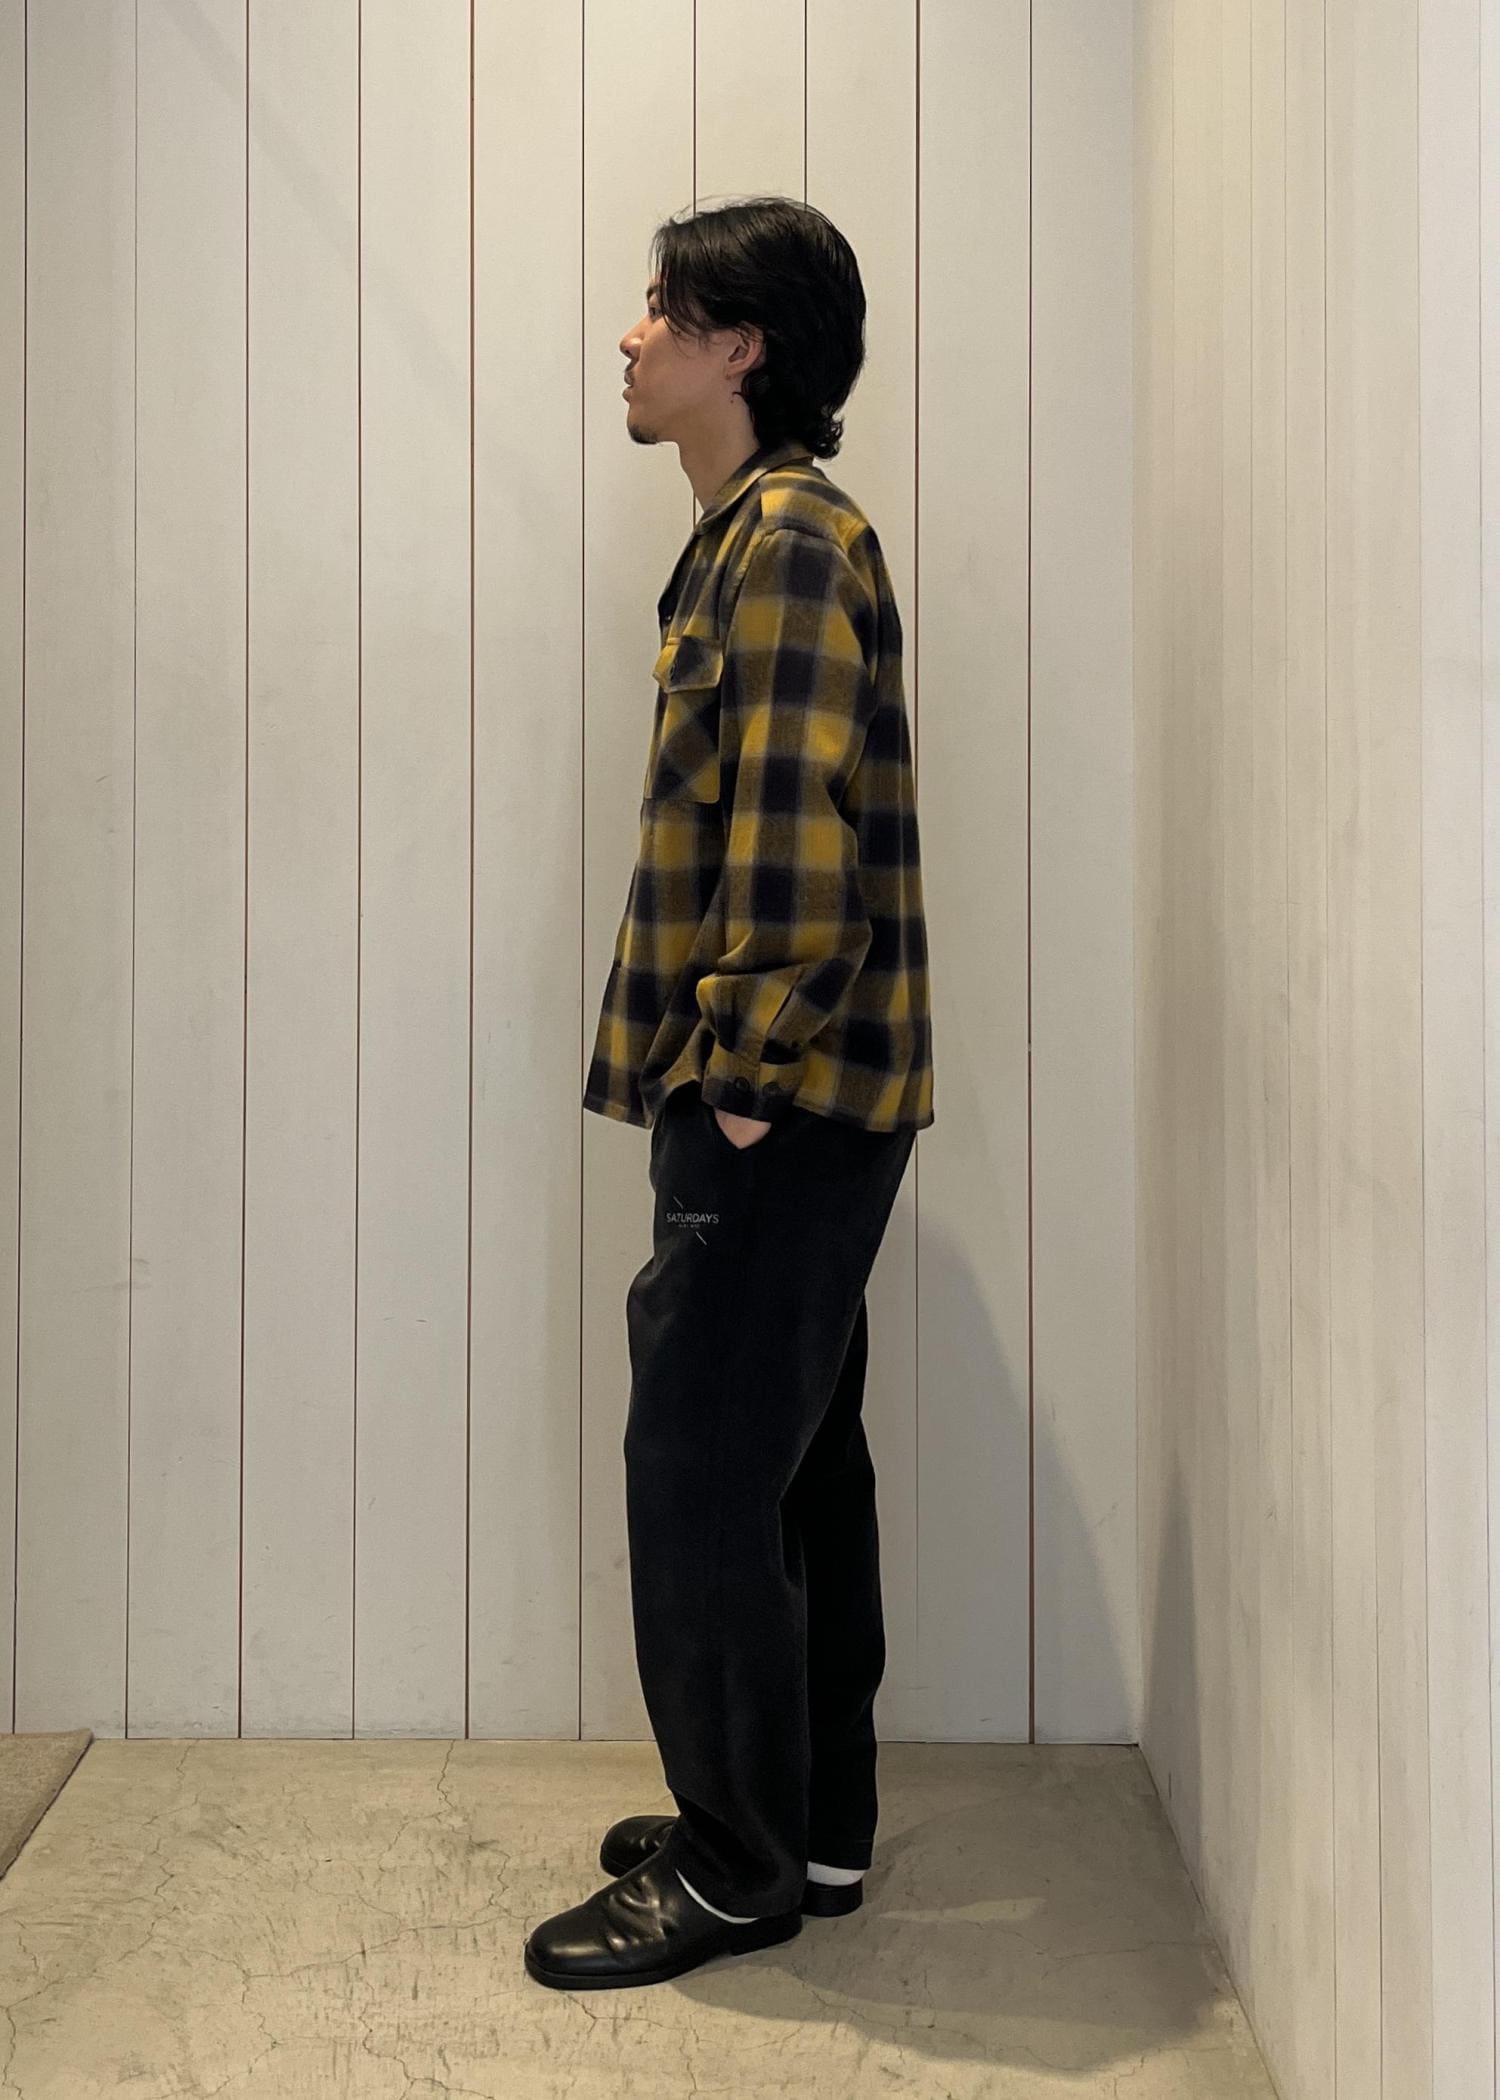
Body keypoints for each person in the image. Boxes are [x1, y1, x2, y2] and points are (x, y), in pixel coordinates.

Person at [525, 195, 935, 1993]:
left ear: (740, 345)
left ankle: (731, 1867)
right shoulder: (752, 536)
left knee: (699, 1476)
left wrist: (747, 1083)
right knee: (794, 1467)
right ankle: (809, 1829)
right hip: (807, 1093)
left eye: (661, 310)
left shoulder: (784, 540)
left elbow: (793, 831)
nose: (631, 337)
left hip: (779, 1093)